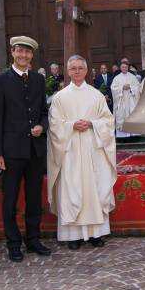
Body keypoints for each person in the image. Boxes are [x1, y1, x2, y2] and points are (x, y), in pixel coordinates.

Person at [0, 36, 51, 262]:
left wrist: (41, 127)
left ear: (32, 56)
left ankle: (33, 239)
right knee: (10, 200)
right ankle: (13, 242)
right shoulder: (0, 80)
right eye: (19, 52)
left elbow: (44, 112)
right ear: (12, 53)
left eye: (27, 53)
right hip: (11, 152)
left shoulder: (38, 80)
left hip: (34, 151)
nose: (23, 56)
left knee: (34, 199)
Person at [47, 55, 117, 250]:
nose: (77, 71)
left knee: (94, 189)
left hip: (93, 149)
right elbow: (54, 125)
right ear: (68, 71)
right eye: (73, 68)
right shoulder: (60, 98)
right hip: (70, 152)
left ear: (86, 71)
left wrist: (92, 124)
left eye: (80, 68)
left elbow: (108, 121)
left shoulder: (96, 95)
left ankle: (97, 233)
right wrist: (71, 126)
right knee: (72, 190)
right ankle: (73, 236)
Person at [111, 62, 140, 140]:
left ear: (128, 68)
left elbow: (138, 87)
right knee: (121, 116)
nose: (124, 68)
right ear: (120, 68)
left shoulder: (133, 77)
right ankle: (123, 137)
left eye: (126, 67)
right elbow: (113, 88)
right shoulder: (116, 78)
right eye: (123, 67)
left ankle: (134, 136)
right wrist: (122, 87)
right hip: (121, 101)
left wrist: (130, 87)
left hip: (131, 101)